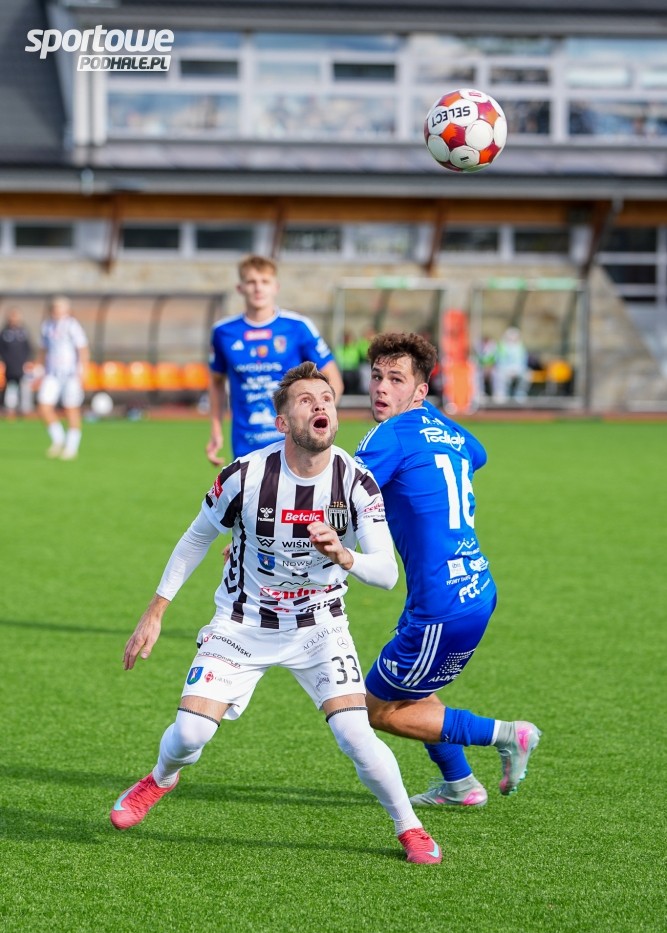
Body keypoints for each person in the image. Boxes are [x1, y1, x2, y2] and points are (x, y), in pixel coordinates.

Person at [111, 362, 441, 865]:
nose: (321, 405)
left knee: (355, 734)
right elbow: (196, 538)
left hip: (320, 627)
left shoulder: (357, 482)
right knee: (190, 735)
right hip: (242, 625)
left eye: (326, 399)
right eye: (306, 400)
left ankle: (409, 827)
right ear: (283, 422)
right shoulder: (244, 475)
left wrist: (344, 555)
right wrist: (156, 610)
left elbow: (387, 573)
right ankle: (161, 778)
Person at [354, 332, 541, 808]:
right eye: (377, 376)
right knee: (415, 690)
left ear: (420, 390)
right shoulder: (445, 430)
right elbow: (478, 452)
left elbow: (344, 494)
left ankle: (508, 734)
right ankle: (461, 785)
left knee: (376, 710)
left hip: (442, 602)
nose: (382, 388)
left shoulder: (387, 435)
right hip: (471, 588)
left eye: (397, 379)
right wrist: (429, 419)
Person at [206, 255, 344, 464]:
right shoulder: (223, 332)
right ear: (240, 288)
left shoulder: (298, 327)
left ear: (275, 287)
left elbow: (334, 380)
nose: (258, 288)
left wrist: (321, 421)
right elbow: (216, 382)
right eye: (251, 282)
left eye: (265, 281)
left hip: (293, 442)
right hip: (246, 444)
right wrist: (216, 430)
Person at [36, 297, 89, 459]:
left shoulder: (72, 326)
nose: (57, 312)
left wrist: (83, 369)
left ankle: (71, 447)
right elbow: (43, 349)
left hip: (70, 374)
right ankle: (58, 439)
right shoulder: (47, 326)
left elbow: (82, 348)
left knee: (71, 409)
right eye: (54, 308)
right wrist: (38, 367)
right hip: (52, 374)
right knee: (44, 406)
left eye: (60, 309)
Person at [0, 308, 33, 419]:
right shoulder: (5, 333)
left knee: (25, 388)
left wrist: (28, 361)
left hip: (22, 365)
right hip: (10, 366)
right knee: (11, 388)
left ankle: (26, 410)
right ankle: (10, 410)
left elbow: (28, 348)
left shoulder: (23, 332)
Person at [492, 326, 530, 404]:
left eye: (515, 336)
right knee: (499, 375)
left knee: (527, 375)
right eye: (511, 336)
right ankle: (501, 394)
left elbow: (523, 361)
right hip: (504, 369)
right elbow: (499, 361)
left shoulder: (520, 347)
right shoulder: (502, 346)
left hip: (518, 369)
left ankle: (520, 394)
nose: (513, 338)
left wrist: (516, 370)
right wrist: (508, 370)